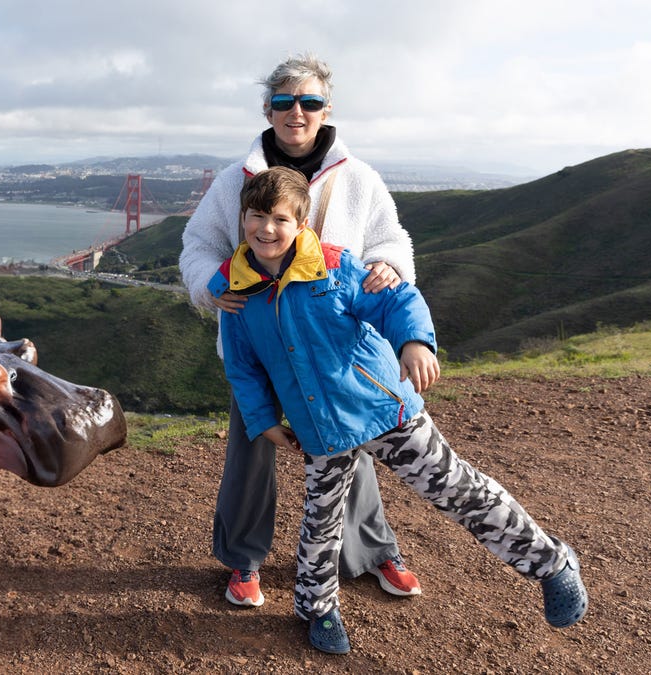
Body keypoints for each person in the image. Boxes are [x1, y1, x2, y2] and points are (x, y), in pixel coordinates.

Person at [209, 166, 588, 654]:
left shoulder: (334, 266)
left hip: (386, 410)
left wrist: (414, 342)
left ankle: (551, 563)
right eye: (256, 216)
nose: (266, 229)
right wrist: (263, 421)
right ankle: (318, 609)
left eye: (279, 218)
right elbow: (242, 367)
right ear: (242, 219)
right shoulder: (236, 289)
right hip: (321, 428)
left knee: (457, 490)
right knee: (321, 522)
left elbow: (397, 300)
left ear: (301, 223)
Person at [179, 53, 420, 607]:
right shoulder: (232, 181)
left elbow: (391, 240)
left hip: (337, 348)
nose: (297, 112)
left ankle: (369, 550)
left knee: (350, 447)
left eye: (309, 102)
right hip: (259, 342)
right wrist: (207, 286)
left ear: (326, 109)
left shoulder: (359, 178)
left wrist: (391, 268)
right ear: (267, 110)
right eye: (284, 102)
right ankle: (243, 561)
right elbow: (199, 246)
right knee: (250, 449)